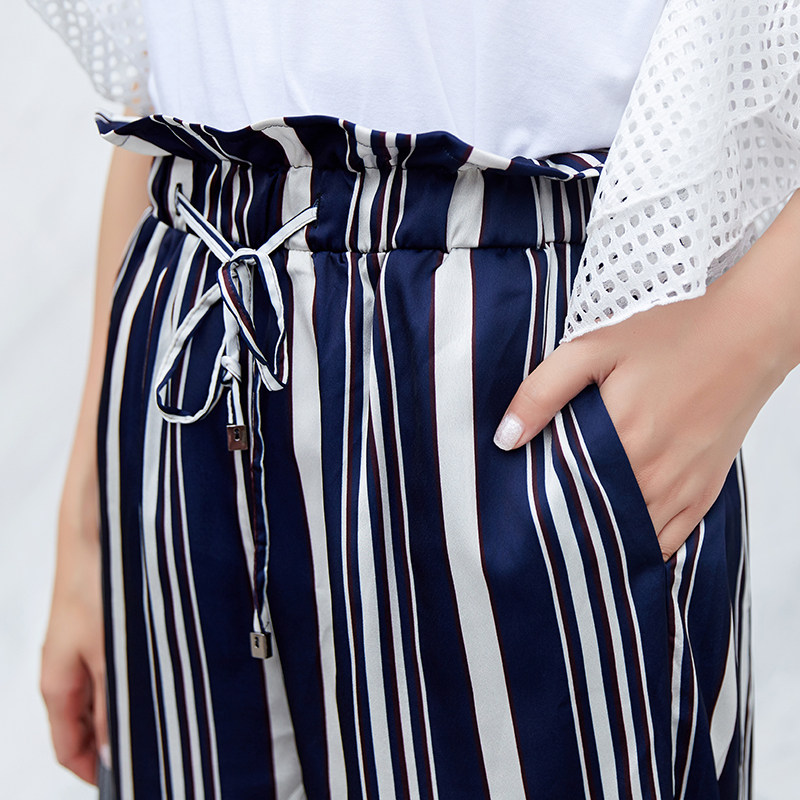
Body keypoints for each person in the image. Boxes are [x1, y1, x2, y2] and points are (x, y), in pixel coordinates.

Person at [30, 0, 800, 798]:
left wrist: (747, 336)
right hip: (193, 330)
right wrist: (88, 510)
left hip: (511, 346)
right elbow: (157, 74)